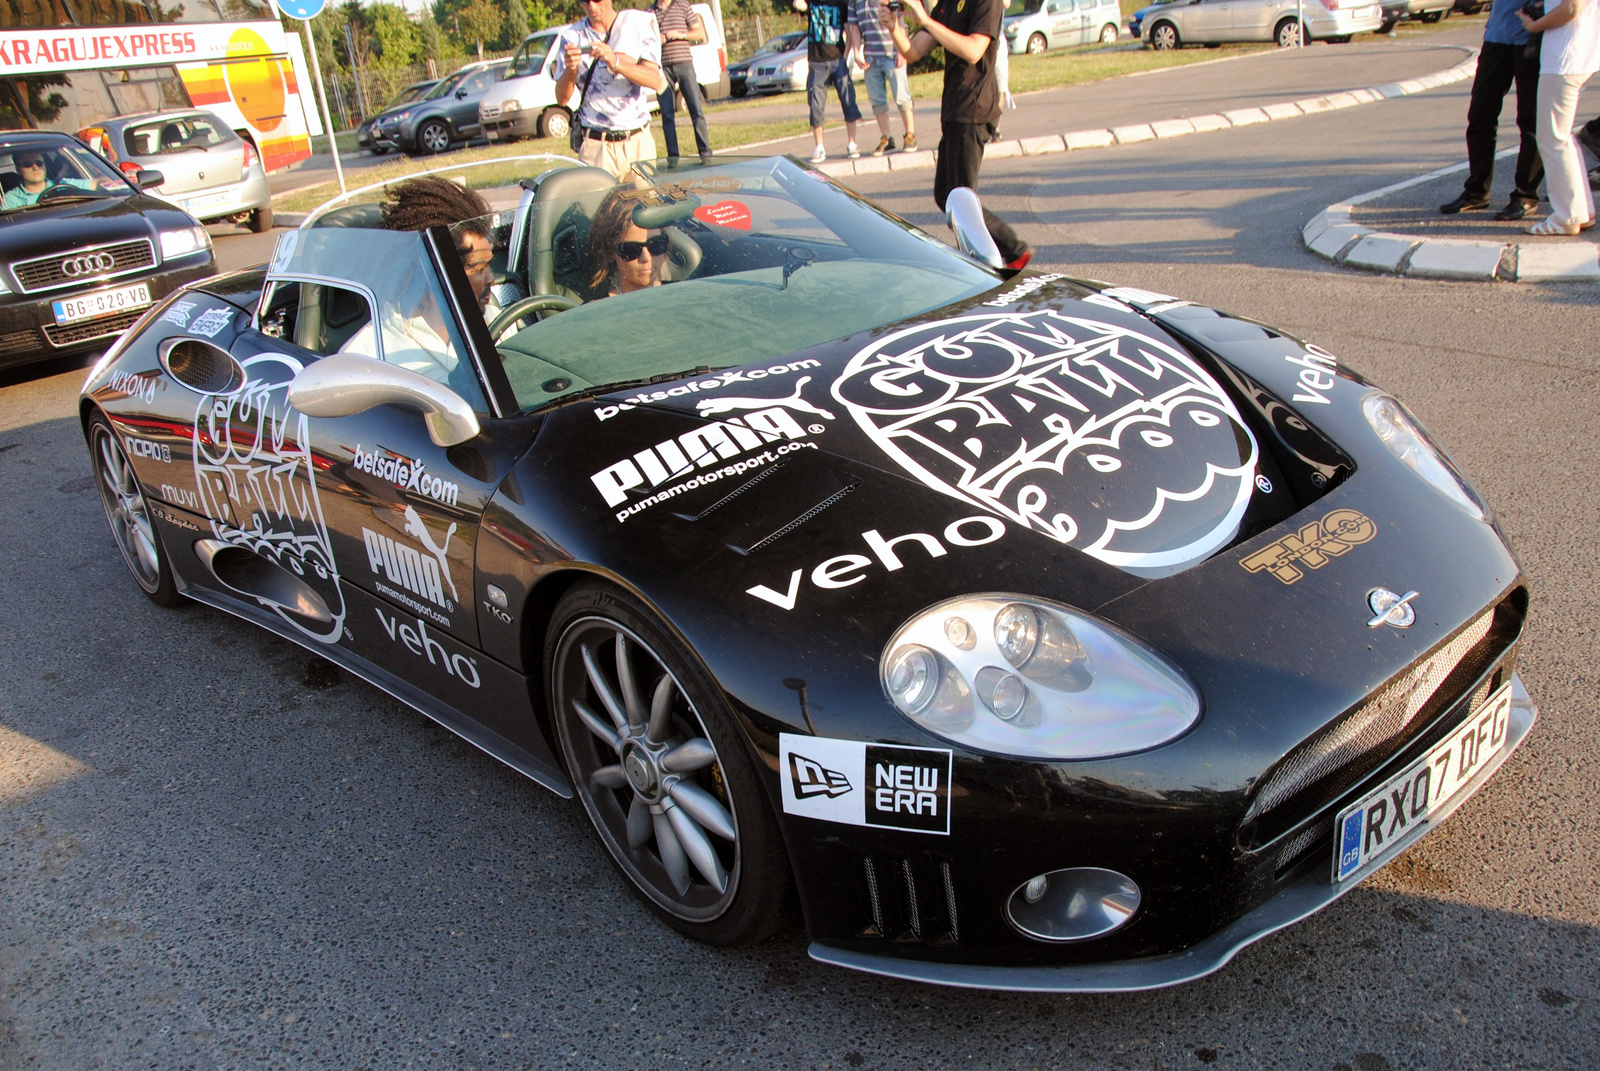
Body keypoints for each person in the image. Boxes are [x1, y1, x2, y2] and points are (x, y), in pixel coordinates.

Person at [885, 0, 1032, 269]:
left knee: (962, 202)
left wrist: (926, 20)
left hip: (973, 108)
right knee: (945, 194)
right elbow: (913, 51)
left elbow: (974, 50)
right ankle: (1009, 250)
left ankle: (1002, 256)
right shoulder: (948, 4)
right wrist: (892, 25)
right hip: (954, 108)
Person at [339, 177, 498, 384]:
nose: (491, 278)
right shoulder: (367, 357)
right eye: (478, 268)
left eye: (489, 265)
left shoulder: (497, 320)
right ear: (432, 273)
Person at [1439, 0, 1545, 219]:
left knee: (1531, 120)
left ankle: (1525, 196)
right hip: (1497, 36)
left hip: (1532, 37)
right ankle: (1476, 192)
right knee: (1480, 114)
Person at [555, 0, 665, 182]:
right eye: (584, 1)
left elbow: (654, 80)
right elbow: (562, 99)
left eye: (597, 0)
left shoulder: (636, 25)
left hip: (637, 141)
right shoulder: (572, 37)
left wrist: (616, 62)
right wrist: (570, 69)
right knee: (602, 210)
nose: (591, 6)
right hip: (597, 146)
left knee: (648, 207)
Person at [1519, 0, 1600, 234]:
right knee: (1562, 137)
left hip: (1564, 58)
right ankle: (1581, 211)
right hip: (1579, 55)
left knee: (1552, 138)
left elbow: (1571, 8)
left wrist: (1535, 25)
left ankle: (1567, 217)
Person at [794, 0, 862, 163]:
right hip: (817, 61)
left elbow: (848, 31)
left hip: (837, 59)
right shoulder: (812, 3)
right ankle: (819, 146)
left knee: (848, 100)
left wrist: (845, 57)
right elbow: (797, 4)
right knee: (816, 104)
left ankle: (852, 143)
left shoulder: (840, 3)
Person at [848, 0, 916, 156]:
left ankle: (910, 134)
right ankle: (887, 138)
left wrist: (901, 50)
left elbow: (899, 19)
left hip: (892, 54)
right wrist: (857, 53)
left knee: (902, 96)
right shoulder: (854, 2)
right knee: (877, 101)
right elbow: (855, 28)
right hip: (871, 58)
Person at [653, 0, 713, 162]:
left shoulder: (683, 6)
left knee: (695, 108)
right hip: (664, 67)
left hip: (684, 63)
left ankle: (705, 152)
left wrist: (681, 35)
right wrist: (656, 38)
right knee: (667, 113)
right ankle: (673, 157)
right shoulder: (650, 13)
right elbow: (646, 40)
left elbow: (700, 33)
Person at [587, 191, 669, 297]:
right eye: (632, 249)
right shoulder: (598, 310)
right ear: (610, 252)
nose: (647, 258)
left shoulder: (685, 292)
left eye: (656, 244)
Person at [3, 149, 96, 209]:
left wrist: (108, 182)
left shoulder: (64, 184)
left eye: (39, 163)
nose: (35, 167)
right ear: (18, 169)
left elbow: (97, 184)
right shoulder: (11, 199)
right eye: (28, 164)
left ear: (44, 166)